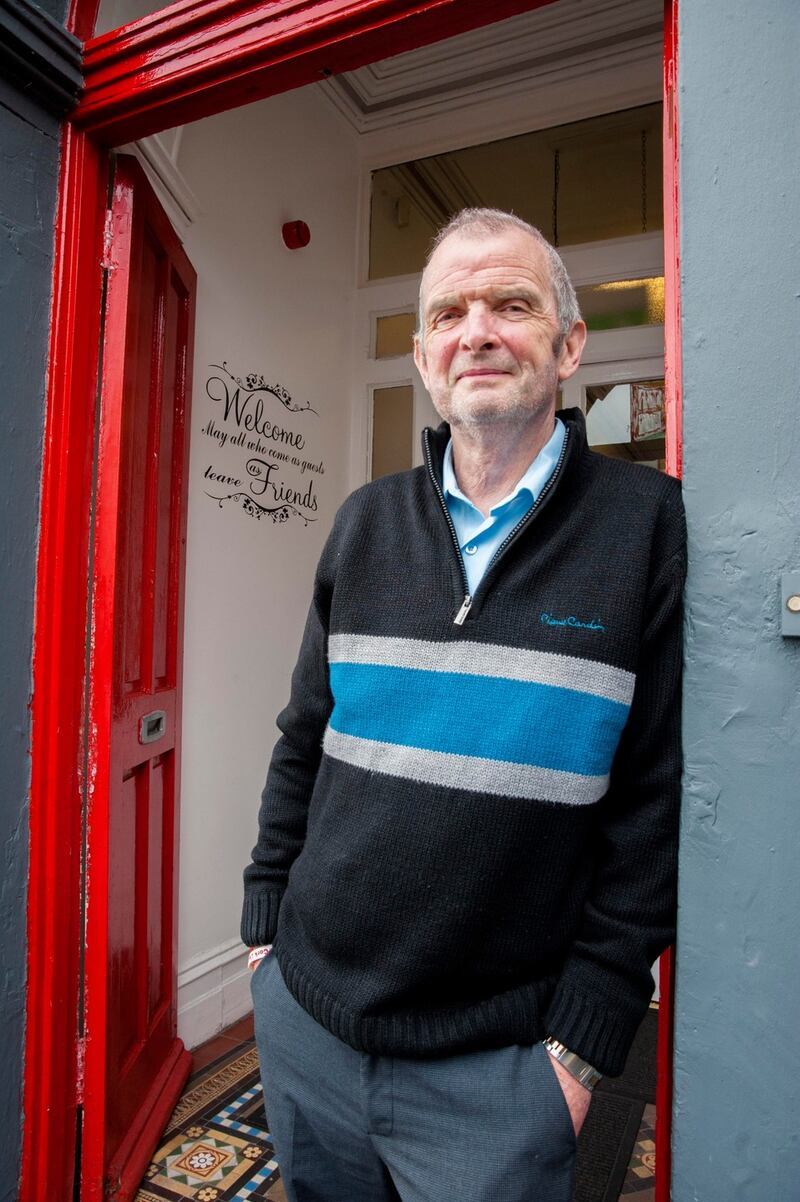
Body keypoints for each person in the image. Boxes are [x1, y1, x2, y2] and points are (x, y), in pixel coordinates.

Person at [242, 207, 686, 1202]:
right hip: (307, 1020)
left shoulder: (648, 529)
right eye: (448, 311)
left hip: (499, 1068)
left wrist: (581, 1044)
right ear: (420, 355)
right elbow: (301, 735)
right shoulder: (363, 523)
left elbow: (652, 807)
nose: (474, 330)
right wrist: (264, 927)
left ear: (569, 343)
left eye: (510, 303)